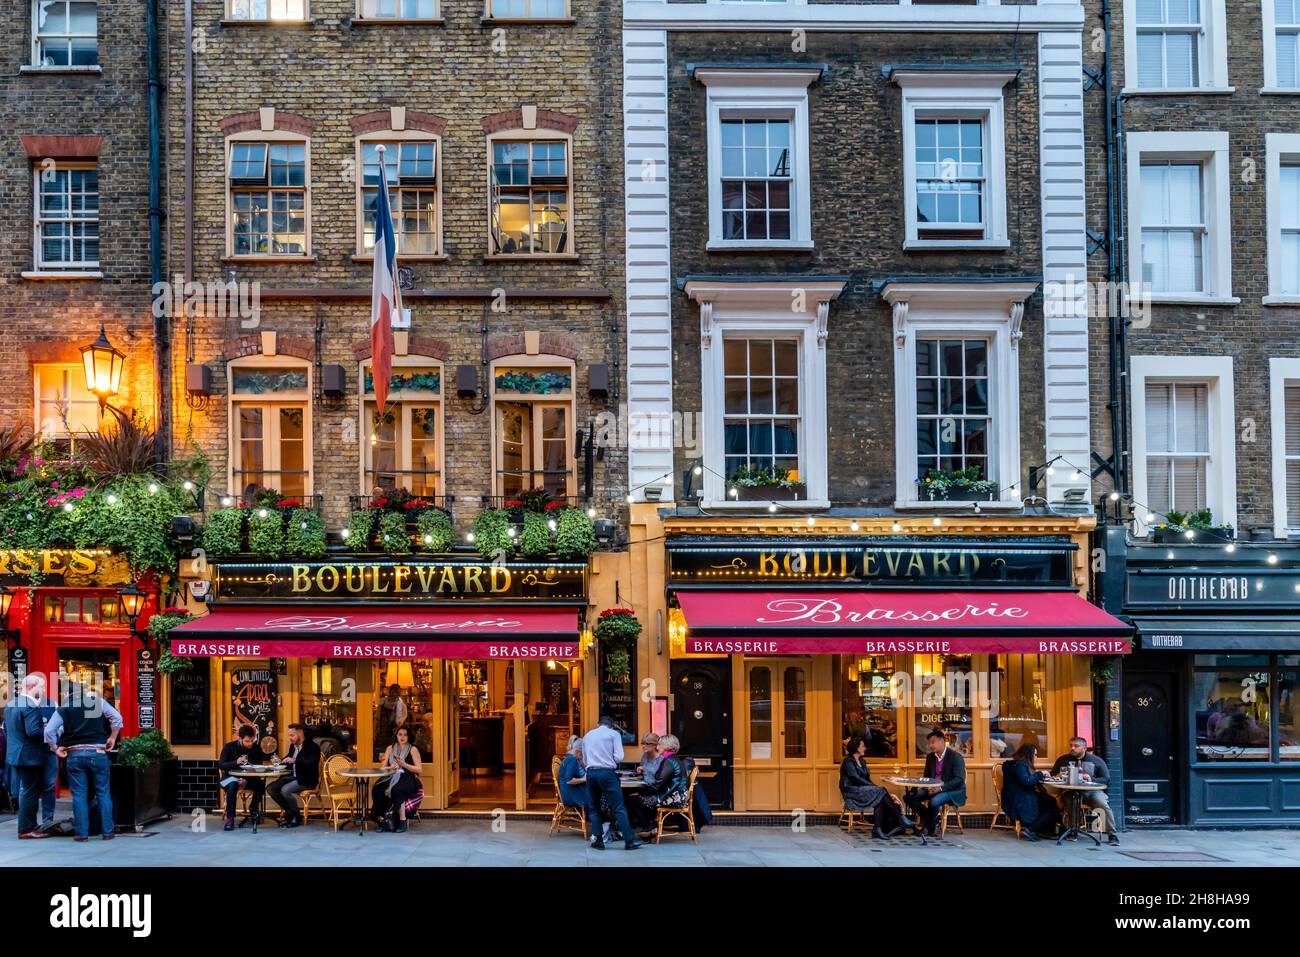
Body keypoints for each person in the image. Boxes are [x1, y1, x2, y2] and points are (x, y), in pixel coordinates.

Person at [44, 682, 121, 842]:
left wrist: (55, 748)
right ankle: (107, 832)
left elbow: (49, 731)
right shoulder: (98, 702)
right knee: (103, 793)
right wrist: (112, 738)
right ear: (85, 692)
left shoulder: (63, 709)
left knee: (79, 795)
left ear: (66, 695)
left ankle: (81, 834)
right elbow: (117, 718)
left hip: (75, 755)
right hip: (98, 753)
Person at [580, 715, 641, 850]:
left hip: (591, 773)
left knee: (594, 808)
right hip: (607, 773)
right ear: (612, 725)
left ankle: (599, 840)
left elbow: (584, 759)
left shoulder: (587, 735)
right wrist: (610, 759)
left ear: (598, 724)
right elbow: (619, 757)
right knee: (618, 807)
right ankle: (629, 841)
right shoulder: (614, 734)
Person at [3, 674, 53, 839]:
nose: (44, 690)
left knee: (26, 790)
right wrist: (49, 730)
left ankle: (28, 825)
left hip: (15, 755)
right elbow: (33, 732)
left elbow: (10, 730)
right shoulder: (30, 706)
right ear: (31, 687)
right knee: (30, 792)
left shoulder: (11, 704)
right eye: (42, 686)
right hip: (30, 756)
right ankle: (26, 828)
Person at [839, 735, 913, 839]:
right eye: (863, 746)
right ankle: (900, 818)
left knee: (880, 797)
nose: (865, 748)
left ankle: (877, 829)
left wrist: (874, 787)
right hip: (851, 791)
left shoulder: (862, 761)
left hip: (863, 790)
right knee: (881, 791)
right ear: (856, 748)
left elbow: (867, 780)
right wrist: (874, 788)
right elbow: (856, 779)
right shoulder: (848, 761)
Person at [1050, 736, 1119, 845]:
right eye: (1071, 746)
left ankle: (1112, 834)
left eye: (1076, 746)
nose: (1072, 748)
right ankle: (1072, 830)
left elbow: (1106, 779)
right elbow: (1052, 774)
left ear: (1084, 748)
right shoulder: (1063, 759)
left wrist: (1091, 778)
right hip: (1069, 790)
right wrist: (1057, 776)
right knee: (1070, 801)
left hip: (1091, 791)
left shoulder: (1096, 761)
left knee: (1102, 804)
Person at [905, 729, 967, 836]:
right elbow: (927, 777)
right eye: (929, 743)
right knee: (909, 797)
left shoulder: (955, 757)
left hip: (952, 790)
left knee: (933, 802)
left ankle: (927, 826)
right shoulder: (930, 757)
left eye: (933, 742)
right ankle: (933, 821)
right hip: (933, 788)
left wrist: (940, 789)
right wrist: (927, 787)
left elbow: (959, 779)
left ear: (942, 742)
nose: (930, 745)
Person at [629, 733, 689, 837]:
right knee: (640, 798)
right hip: (677, 795)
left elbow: (657, 784)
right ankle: (651, 827)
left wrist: (643, 793)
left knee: (633, 800)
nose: (657, 747)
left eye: (660, 744)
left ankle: (649, 827)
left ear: (667, 747)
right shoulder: (673, 759)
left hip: (673, 797)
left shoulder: (669, 761)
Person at [1000, 743, 1060, 841]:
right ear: (1028, 755)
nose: (1036, 757)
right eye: (1035, 755)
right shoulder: (1020, 765)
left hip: (1017, 795)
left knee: (1051, 801)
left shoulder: (1018, 764)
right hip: (1019, 799)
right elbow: (1026, 781)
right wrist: (1040, 774)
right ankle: (1032, 829)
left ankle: (1043, 830)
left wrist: (1037, 774)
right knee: (1053, 810)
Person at [371, 725, 423, 832]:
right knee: (377, 789)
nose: (402, 737)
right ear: (396, 736)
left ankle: (402, 821)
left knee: (397, 789)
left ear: (409, 737)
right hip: (391, 775)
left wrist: (404, 764)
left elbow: (419, 769)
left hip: (408, 777)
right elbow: (383, 768)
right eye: (400, 734)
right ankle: (382, 820)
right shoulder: (390, 748)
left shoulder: (413, 749)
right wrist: (391, 767)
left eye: (405, 735)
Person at [269, 723, 320, 828]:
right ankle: (290, 813)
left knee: (285, 790)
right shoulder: (293, 746)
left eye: (292, 735)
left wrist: (296, 760)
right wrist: (279, 761)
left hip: (307, 779)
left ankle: (296, 815)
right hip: (292, 777)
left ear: (300, 733)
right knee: (271, 788)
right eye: (289, 735)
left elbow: (312, 763)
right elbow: (288, 758)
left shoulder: (313, 747)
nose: (290, 738)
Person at [218, 725, 264, 831]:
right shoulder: (229, 747)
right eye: (247, 741)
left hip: (249, 778)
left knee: (260, 784)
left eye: (252, 740)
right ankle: (230, 819)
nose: (250, 743)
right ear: (240, 738)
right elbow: (221, 765)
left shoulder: (256, 748)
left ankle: (253, 808)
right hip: (230, 778)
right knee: (233, 786)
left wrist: (246, 779)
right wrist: (236, 762)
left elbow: (258, 765)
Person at [376, 684, 408, 754]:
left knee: (395, 752)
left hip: (395, 732)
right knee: (382, 753)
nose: (395, 694)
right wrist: (376, 731)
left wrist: (400, 725)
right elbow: (377, 718)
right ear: (390, 692)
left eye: (397, 692)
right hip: (383, 733)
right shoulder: (382, 702)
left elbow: (404, 717)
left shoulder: (401, 704)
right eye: (393, 692)